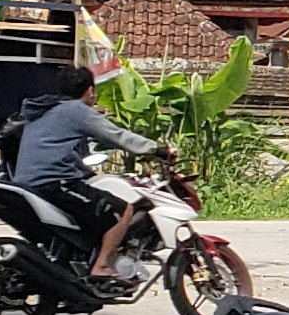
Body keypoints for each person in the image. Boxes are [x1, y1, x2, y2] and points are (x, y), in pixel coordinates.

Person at [9, 65, 169, 284]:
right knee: (124, 210)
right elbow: (118, 136)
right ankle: (101, 265)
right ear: (90, 91)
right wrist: (158, 149)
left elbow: (58, 150)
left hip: (26, 184)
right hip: (54, 183)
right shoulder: (77, 111)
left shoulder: (45, 110)